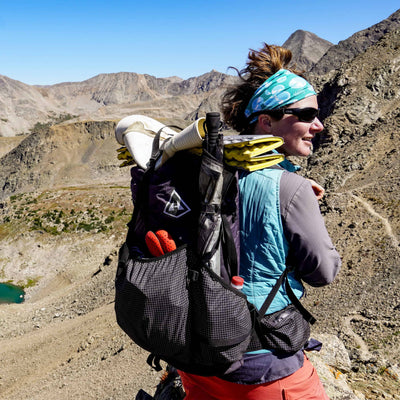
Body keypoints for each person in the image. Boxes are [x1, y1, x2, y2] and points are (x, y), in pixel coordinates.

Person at [177, 44, 341, 399]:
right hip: (263, 370)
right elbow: (323, 272)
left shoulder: (205, 172)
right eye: (307, 113)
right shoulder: (291, 188)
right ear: (266, 121)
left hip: (197, 359)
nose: (319, 124)